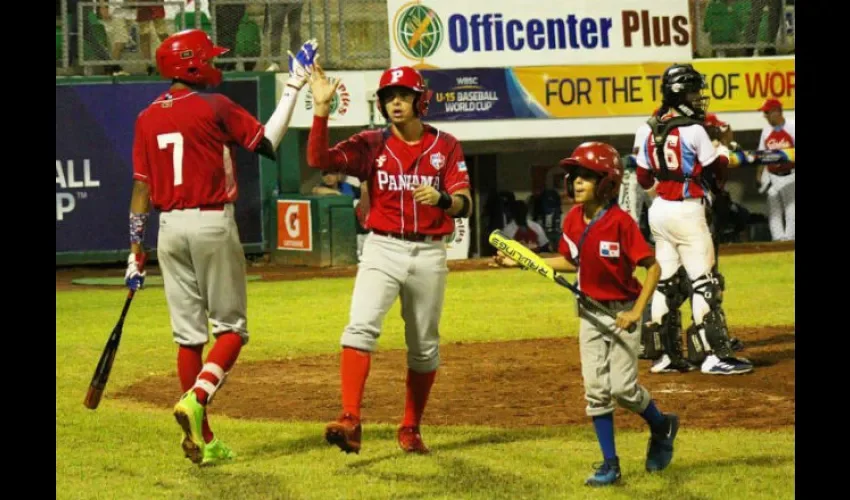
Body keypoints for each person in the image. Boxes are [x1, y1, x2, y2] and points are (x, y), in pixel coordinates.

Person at [124, 30, 318, 465]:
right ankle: (198, 398)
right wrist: (294, 84)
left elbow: (141, 188)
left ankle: (205, 439)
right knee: (232, 331)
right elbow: (267, 143)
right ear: (191, 64)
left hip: (168, 230)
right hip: (211, 222)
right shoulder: (214, 105)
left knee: (188, 337)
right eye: (210, 58)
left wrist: (135, 249)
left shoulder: (145, 117)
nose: (217, 65)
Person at [306, 64, 473, 455]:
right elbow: (319, 160)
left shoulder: (445, 145)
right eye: (389, 96)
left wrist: (445, 199)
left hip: (429, 252)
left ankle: (411, 427)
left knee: (424, 347)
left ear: (420, 100)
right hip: (381, 247)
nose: (395, 102)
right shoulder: (369, 144)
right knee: (359, 328)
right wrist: (320, 110)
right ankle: (350, 419)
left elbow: (464, 203)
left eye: (403, 95)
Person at [494, 142, 678, 487]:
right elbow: (570, 261)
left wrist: (637, 312)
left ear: (606, 182)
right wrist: (521, 261)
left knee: (623, 389)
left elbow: (652, 268)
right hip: (589, 314)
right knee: (596, 390)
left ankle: (661, 424)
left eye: (586, 176)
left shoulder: (621, 223)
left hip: (623, 312)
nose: (576, 182)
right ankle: (610, 464)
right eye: (574, 175)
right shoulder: (573, 219)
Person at [636, 63, 752, 375]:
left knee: (667, 283)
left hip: (659, 209)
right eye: (692, 91)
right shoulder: (694, 128)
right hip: (687, 208)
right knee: (705, 281)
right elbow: (715, 173)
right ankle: (714, 355)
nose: (697, 97)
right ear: (679, 93)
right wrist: (724, 160)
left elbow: (643, 174)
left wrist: (659, 191)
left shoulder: (647, 126)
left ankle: (666, 356)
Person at [755, 98, 795, 241]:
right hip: (772, 175)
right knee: (774, 210)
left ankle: (790, 240)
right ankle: (778, 240)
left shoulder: (792, 126)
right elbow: (761, 153)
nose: (764, 115)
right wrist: (759, 174)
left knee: (792, 210)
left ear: (776, 112)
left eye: (767, 112)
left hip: (790, 175)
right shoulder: (766, 130)